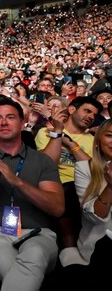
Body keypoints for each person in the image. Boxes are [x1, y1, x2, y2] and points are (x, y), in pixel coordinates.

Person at [0, 98, 64, 291]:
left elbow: (57, 207)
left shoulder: (42, 161)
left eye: (10, 117)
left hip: (39, 234)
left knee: (34, 254)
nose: (4, 122)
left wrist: (17, 181)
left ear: (22, 122)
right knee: (22, 271)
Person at [35, 96, 102, 248]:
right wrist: (58, 135)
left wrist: (71, 144)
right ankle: (69, 249)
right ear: (71, 109)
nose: (91, 117)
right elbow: (47, 164)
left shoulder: (93, 139)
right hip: (58, 185)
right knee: (67, 190)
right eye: (87, 111)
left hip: (88, 186)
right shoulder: (46, 132)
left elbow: (93, 168)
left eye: (94, 115)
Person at [57, 119, 112, 288]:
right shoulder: (85, 168)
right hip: (100, 247)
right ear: (98, 141)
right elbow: (93, 217)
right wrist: (110, 186)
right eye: (110, 136)